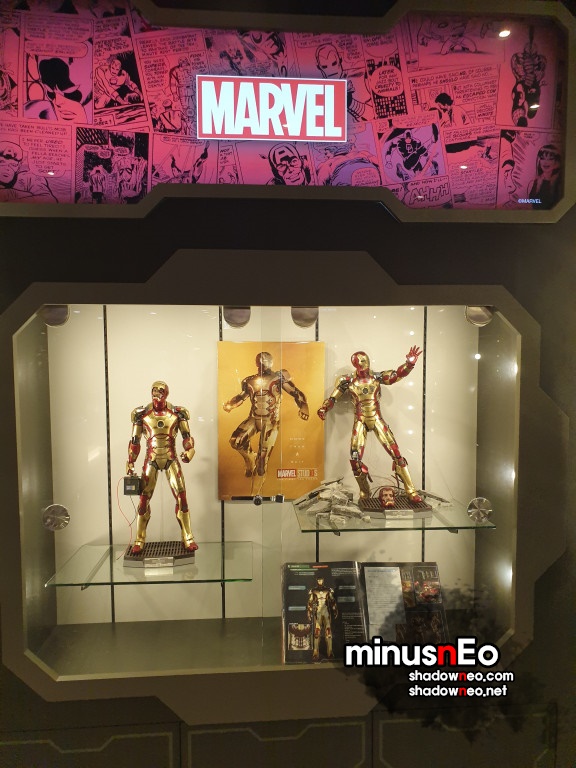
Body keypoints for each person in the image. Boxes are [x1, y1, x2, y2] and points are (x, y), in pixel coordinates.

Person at [318, 348, 423, 503]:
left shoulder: (377, 377)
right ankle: (365, 493)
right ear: (355, 364)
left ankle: (411, 491)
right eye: (359, 361)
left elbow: (396, 375)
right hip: (360, 420)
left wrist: (409, 364)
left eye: (364, 360)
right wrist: (324, 408)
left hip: (377, 418)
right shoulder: (347, 381)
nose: (363, 363)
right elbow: (333, 397)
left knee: (397, 455)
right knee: (355, 460)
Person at [126, 381, 197, 555]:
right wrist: (130, 461)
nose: (156, 394)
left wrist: (189, 451)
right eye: (154, 390)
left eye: (160, 391)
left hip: (171, 458)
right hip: (151, 459)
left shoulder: (177, 413)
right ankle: (139, 539)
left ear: (166, 393)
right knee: (143, 499)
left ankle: (188, 537)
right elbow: (135, 441)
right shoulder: (142, 414)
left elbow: (187, 437)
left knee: (182, 497)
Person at [223, 351, 309, 478]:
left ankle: (259, 466)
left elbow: (295, 392)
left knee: (261, 467)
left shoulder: (278, 377)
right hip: (253, 418)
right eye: (260, 362)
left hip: (271, 421)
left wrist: (304, 406)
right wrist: (230, 404)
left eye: (264, 361)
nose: (262, 364)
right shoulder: (250, 380)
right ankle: (250, 458)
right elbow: (242, 396)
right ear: (257, 363)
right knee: (235, 441)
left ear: (270, 362)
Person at [24, 57, 89, 122]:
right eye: (52, 94)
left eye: (66, 93)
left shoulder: (79, 109)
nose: (57, 102)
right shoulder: (45, 107)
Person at [307, 575, 338, 661]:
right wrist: (309, 612)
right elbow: (310, 601)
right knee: (317, 632)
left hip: (326, 611)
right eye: (318, 580)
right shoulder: (313, 590)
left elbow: (332, 600)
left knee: (328, 632)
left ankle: (330, 651)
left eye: (321, 580)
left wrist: (335, 610)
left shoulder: (328, 590)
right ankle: (315, 652)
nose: (320, 581)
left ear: (323, 580)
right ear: (317, 581)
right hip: (318, 612)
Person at [527, 143, 562, 210]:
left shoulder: (559, 183)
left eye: (550, 159)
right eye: (542, 158)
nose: (545, 162)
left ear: (557, 162)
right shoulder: (534, 183)